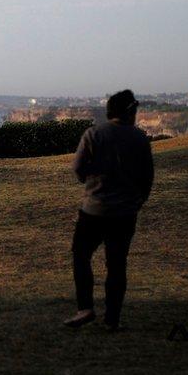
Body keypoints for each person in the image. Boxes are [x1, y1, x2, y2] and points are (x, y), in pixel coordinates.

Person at [63, 89, 154, 332]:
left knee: (81, 254)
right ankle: (112, 319)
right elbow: (147, 177)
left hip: (93, 210)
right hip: (125, 213)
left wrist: (92, 182)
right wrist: (137, 201)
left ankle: (85, 307)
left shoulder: (94, 134)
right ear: (129, 111)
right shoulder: (139, 139)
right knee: (117, 265)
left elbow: (78, 170)